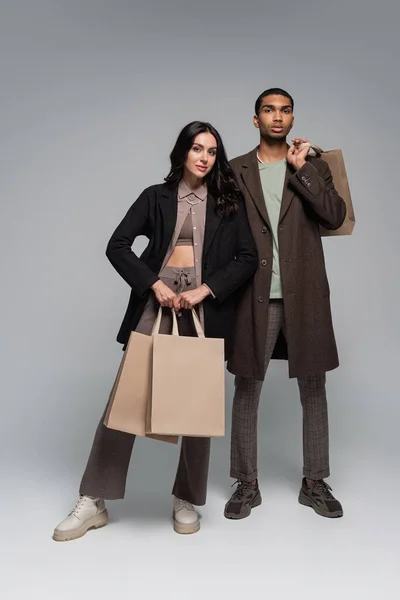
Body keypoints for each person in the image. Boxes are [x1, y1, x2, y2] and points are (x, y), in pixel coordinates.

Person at [52, 121, 257, 541]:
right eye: (197, 148)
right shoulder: (156, 197)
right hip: (156, 306)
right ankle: (94, 499)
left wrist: (206, 289)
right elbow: (118, 245)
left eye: (212, 151)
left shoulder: (226, 202)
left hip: (201, 313)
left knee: (196, 411)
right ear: (182, 152)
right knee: (125, 403)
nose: (204, 157)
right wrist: (154, 284)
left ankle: (186, 499)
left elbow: (247, 257)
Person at [224, 88, 346, 520]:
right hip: (253, 295)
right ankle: (246, 483)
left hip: (305, 294)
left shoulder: (312, 166)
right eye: (269, 110)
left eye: (286, 110)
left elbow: (334, 216)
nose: (278, 117)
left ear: (293, 119)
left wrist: (304, 170)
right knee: (247, 385)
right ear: (255, 119)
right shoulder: (235, 169)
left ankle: (315, 482)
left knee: (314, 388)